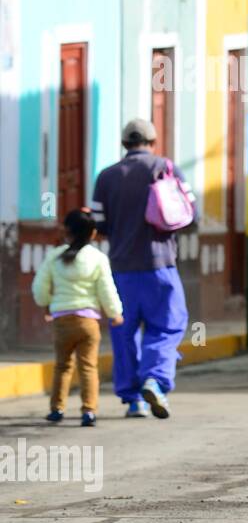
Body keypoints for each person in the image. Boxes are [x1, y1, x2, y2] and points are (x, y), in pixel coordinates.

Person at [91, 119, 195, 419]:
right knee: (168, 325)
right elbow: (192, 213)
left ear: (125, 144)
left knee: (123, 332)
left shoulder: (106, 177)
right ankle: (155, 379)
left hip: (121, 270)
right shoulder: (166, 168)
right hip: (160, 265)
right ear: (153, 140)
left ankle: (133, 399)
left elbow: (99, 224)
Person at [31, 209, 125, 426]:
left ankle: (57, 409)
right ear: (93, 233)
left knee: (62, 366)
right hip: (88, 323)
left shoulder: (54, 257)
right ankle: (88, 411)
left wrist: (46, 304)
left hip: (61, 321)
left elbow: (40, 287)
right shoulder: (98, 258)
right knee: (88, 367)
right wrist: (115, 313)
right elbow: (106, 289)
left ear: (66, 231)